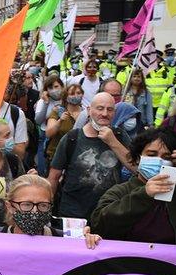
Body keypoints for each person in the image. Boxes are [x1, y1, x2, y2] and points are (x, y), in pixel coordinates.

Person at [0, 174, 101, 248]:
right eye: (27, 205)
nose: (35, 211)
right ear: (10, 206)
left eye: (42, 205)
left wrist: (90, 244)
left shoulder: (64, 241)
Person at [49, 92, 132, 220]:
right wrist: (47, 208)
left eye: (110, 109)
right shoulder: (72, 138)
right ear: (88, 110)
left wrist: (113, 142)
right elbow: (54, 177)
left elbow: (136, 167)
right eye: (100, 108)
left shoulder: (120, 136)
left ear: (114, 113)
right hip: (73, 213)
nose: (104, 113)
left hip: (108, 213)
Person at [44, 84, 84, 165]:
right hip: (56, 156)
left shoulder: (86, 114)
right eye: (72, 94)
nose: (76, 96)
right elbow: (48, 133)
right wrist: (60, 121)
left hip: (77, 158)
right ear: (66, 96)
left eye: (78, 93)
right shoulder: (58, 111)